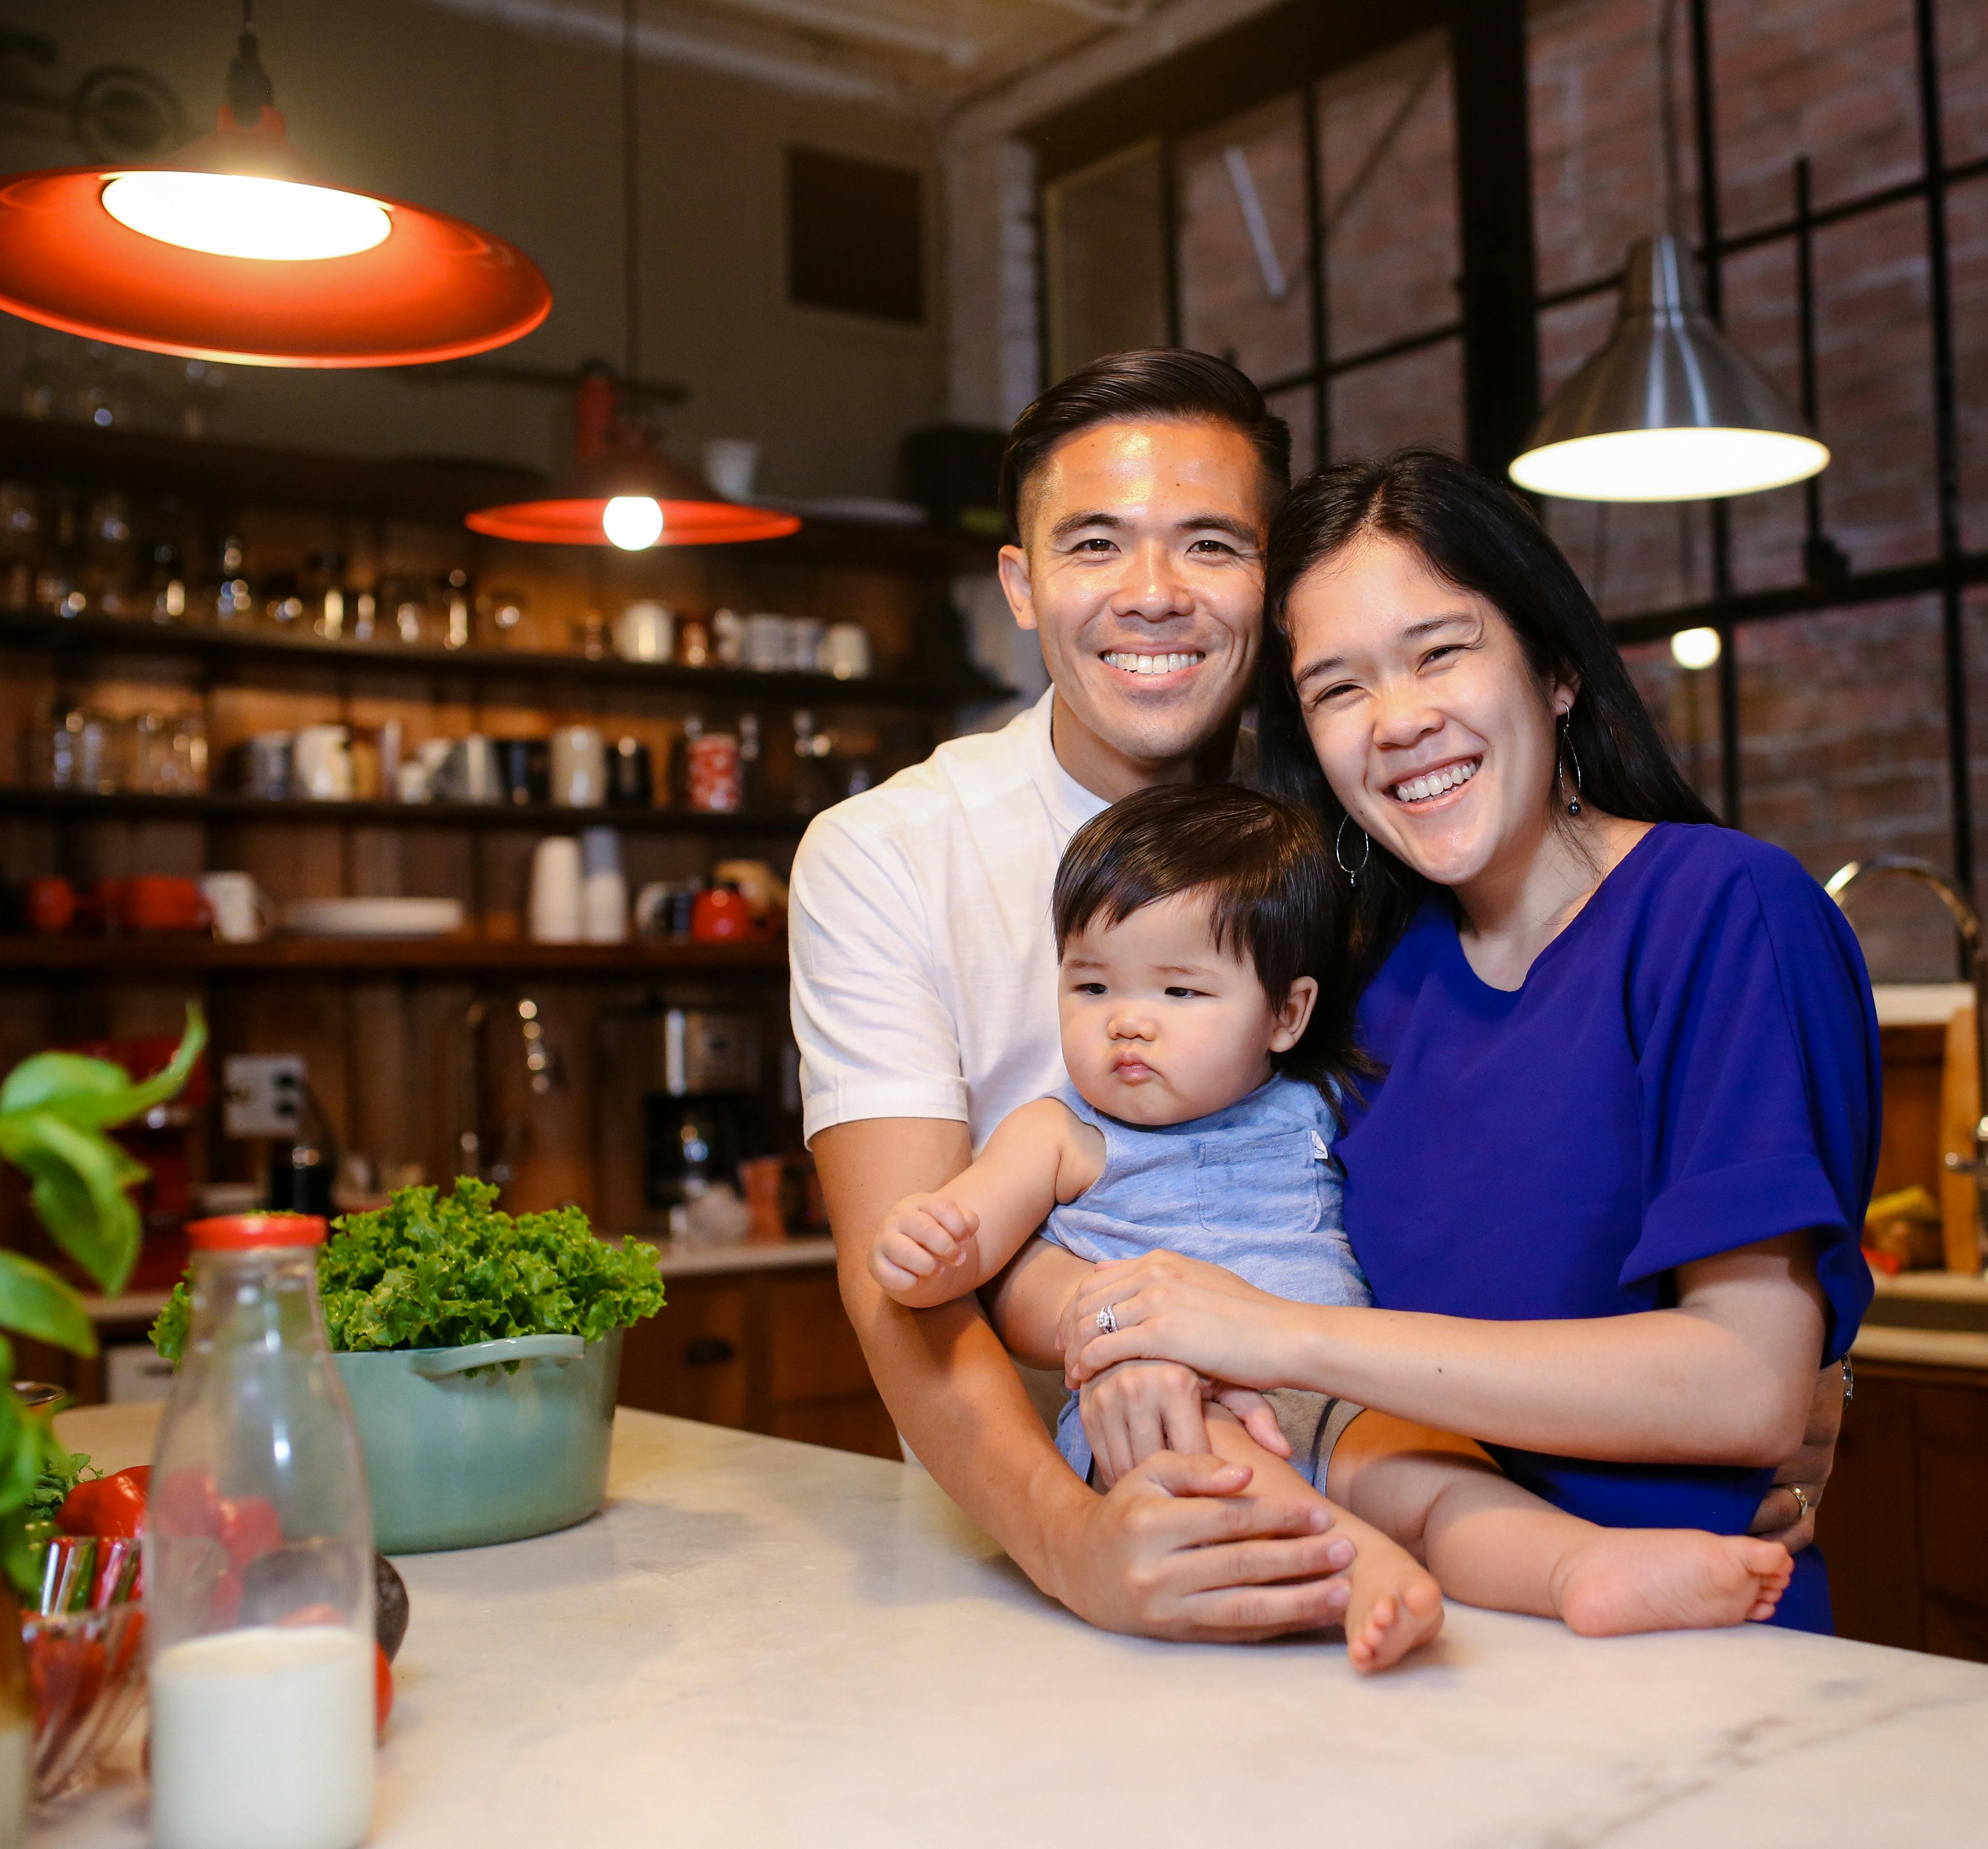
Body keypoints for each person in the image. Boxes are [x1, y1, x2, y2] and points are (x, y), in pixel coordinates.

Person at [790, 352, 1838, 1644]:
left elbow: (1688, 1273)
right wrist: (1096, 1464)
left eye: (1212, 546)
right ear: (1020, 582)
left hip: (1463, 1555)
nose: (1155, 594)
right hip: (1075, 1555)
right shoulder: (897, 852)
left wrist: (1786, 1369)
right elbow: (917, 1267)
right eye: (1098, 546)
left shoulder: (1366, 864)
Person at [1052, 448, 1879, 1632]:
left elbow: (1747, 1389)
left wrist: (1274, 1335)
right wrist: (1150, 1353)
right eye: (1338, 689)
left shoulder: (1719, 908)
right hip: (1396, 1624)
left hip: (1679, 1651)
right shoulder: (1360, 983)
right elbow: (1207, 1216)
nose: (1398, 722)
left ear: (1552, 668)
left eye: (1440, 652)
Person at [871, 784, 1794, 1669]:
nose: (1128, 1027)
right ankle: (1363, 1572)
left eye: (1180, 994)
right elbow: (970, 1246)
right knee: (1223, 1474)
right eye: (1094, 988)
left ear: (1286, 1014)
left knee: (1442, 1481)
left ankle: (1577, 1568)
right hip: (1166, 1408)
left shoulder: (1313, 1103)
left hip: (1340, 1393)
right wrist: (929, 1246)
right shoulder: (1061, 1132)